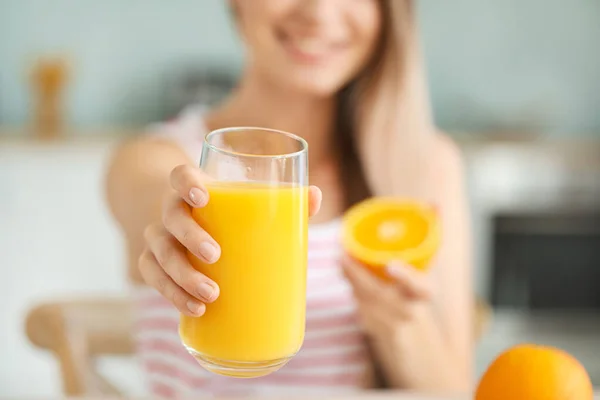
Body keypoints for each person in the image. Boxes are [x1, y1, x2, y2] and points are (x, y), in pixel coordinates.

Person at [105, 0, 473, 397]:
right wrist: (178, 223)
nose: (320, 12)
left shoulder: (426, 166)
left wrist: (399, 327)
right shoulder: (151, 158)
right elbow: (157, 197)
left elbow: (454, 391)